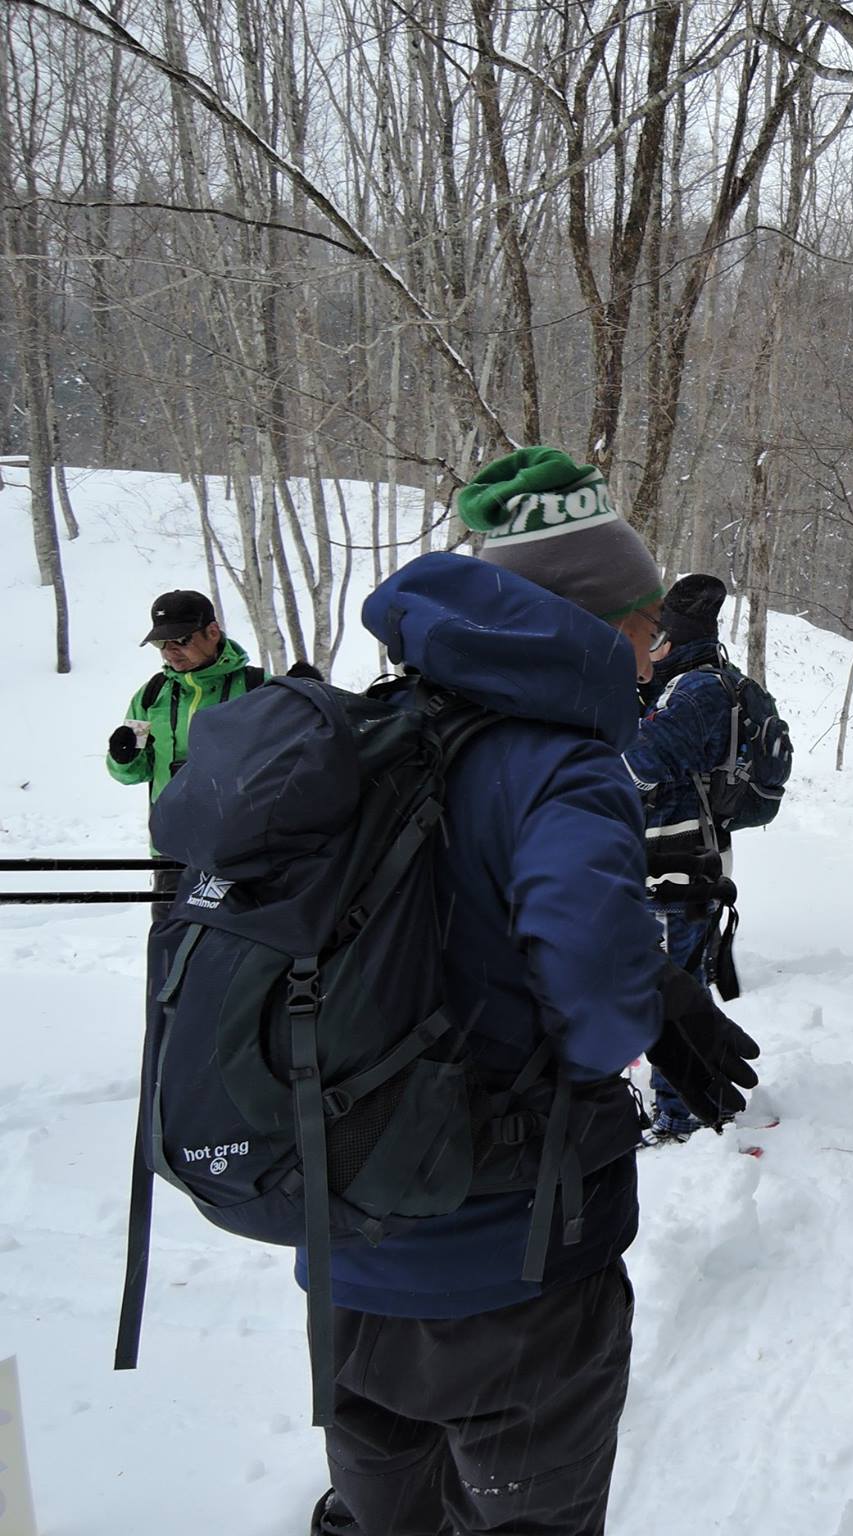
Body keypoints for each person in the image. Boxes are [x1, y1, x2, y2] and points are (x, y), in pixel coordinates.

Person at [308, 445, 759, 1536]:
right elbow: (595, 1017)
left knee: (388, 1509)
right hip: (509, 1257)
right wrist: (647, 993)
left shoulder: (383, 724)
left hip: (347, 1242)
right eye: (645, 627)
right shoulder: (563, 762)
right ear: (596, 622)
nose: (652, 653)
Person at [625, 572, 768, 1143]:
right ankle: (696, 1099)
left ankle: (682, 1113)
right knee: (681, 986)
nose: (650, 649)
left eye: (656, 639)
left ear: (675, 639)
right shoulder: (697, 683)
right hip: (684, 858)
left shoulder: (696, 692)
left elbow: (639, 766)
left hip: (676, 860)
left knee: (672, 991)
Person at [105, 590, 266, 913]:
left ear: (212, 632)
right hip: (171, 846)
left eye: (180, 640)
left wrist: (309, 698)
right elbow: (134, 772)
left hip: (239, 846)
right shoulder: (151, 695)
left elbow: (292, 759)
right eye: (161, 643)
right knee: (170, 936)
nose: (170, 651)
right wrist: (123, 757)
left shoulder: (258, 688)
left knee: (236, 938)